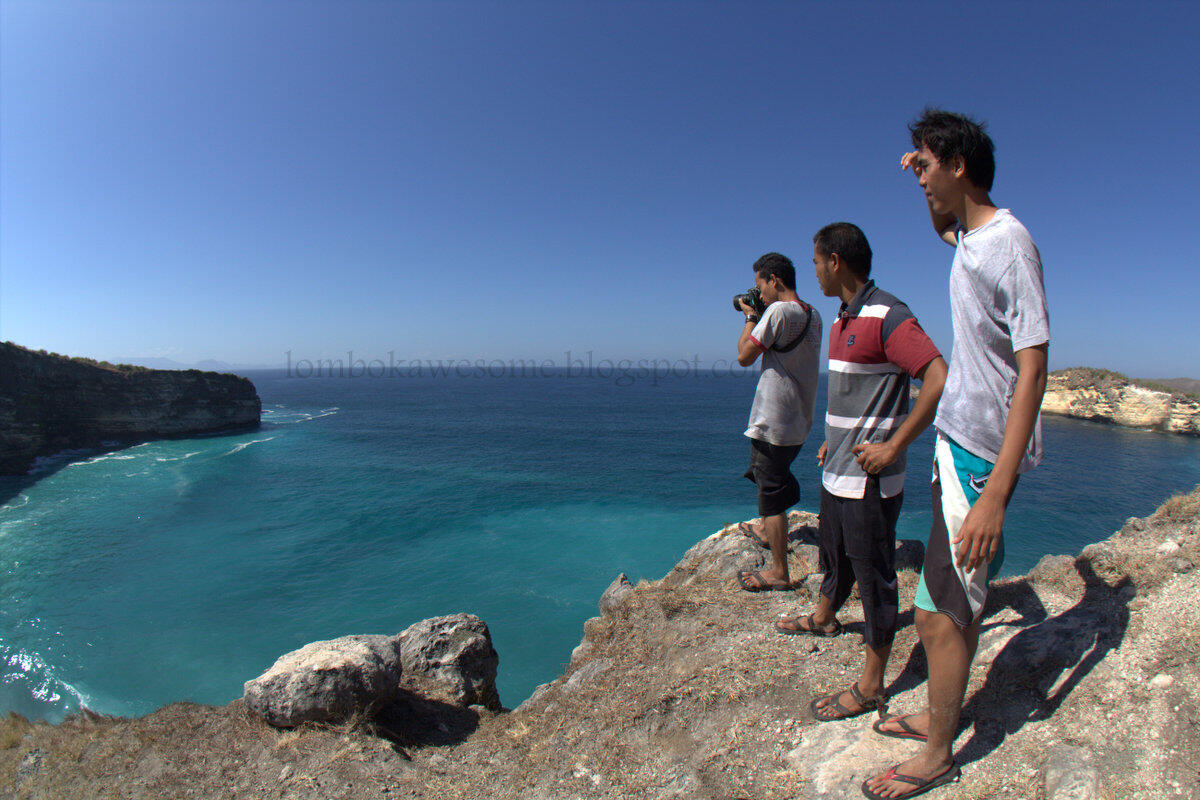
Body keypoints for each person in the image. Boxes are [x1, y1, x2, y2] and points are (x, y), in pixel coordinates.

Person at [862, 109, 1050, 800]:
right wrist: (921, 165)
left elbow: (1034, 365)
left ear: (959, 165)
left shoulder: (1009, 242)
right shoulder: (969, 240)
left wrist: (996, 493)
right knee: (946, 604)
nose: (918, 180)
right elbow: (944, 224)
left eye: (926, 166)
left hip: (980, 461)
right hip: (956, 448)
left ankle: (940, 754)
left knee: (941, 612)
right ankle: (942, 713)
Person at [773, 223, 947, 727]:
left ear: (835, 261)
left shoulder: (889, 314)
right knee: (835, 554)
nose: (814, 271)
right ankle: (826, 617)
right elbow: (859, 394)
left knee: (874, 577)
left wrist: (894, 444)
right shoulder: (841, 317)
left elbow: (937, 376)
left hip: (870, 478)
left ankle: (872, 685)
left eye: (816, 261)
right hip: (840, 467)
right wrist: (836, 436)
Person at [734, 252, 822, 591]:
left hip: (773, 417)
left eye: (761, 286)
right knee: (767, 473)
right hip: (799, 417)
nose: (759, 293)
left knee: (770, 489)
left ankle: (779, 571)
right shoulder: (812, 314)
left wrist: (749, 317)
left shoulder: (777, 311)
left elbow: (744, 356)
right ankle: (764, 527)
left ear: (775, 280)